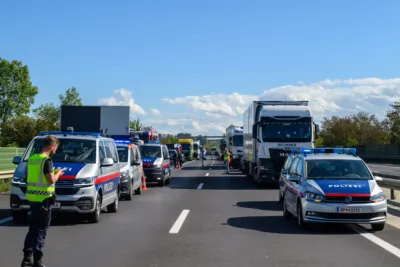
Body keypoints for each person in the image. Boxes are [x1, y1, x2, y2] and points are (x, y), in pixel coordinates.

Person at [21, 135, 64, 267]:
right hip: (44, 199)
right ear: (51, 146)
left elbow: (32, 176)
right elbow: (50, 180)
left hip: (32, 198)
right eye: (55, 148)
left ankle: (27, 258)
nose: (55, 150)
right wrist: (58, 174)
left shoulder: (32, 159)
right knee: (41, 230)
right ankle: (37, 260)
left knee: (33, 228)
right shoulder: (47, 161)